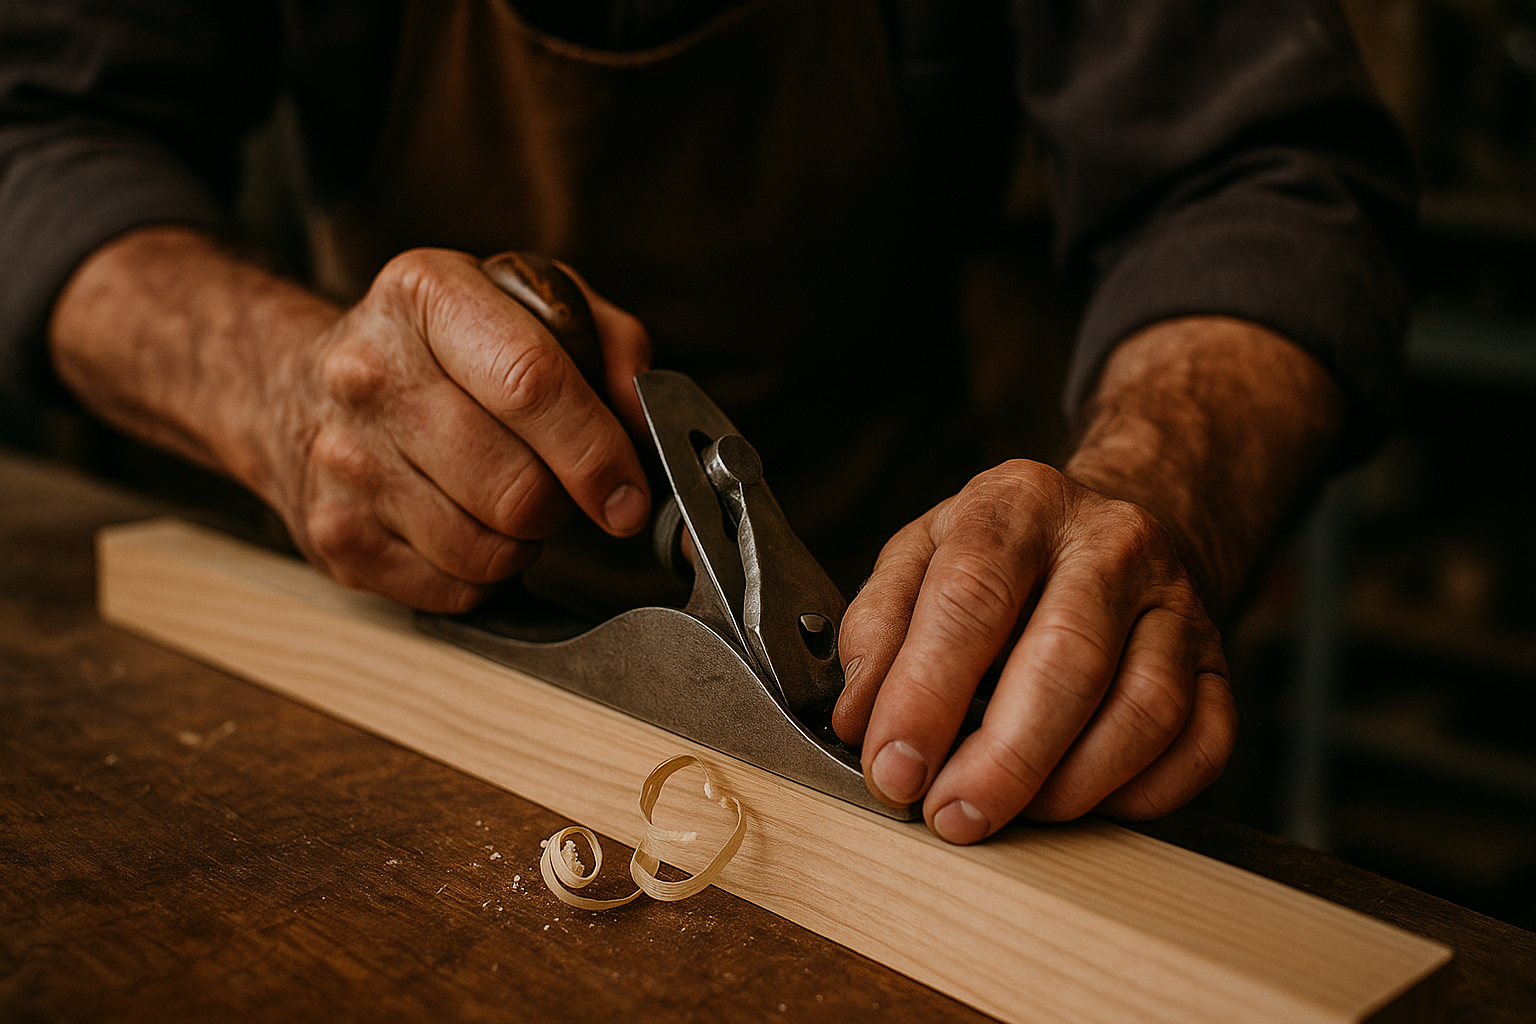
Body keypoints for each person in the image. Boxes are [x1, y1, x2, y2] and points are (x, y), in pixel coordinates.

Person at [0, 0, 1413, 843]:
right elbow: (41, 140)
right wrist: (276, 382)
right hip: (385, 602)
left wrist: (1151, 481)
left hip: (913, 619)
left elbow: (1265, 178)